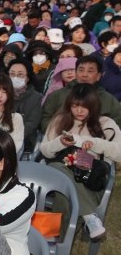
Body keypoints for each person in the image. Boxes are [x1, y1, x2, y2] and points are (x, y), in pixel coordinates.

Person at [40, 83, 121, 240]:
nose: (79, 111)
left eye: (84, 106)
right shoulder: (59, 121)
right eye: (75, 106)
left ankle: (53, 246)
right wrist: (60, 142)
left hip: (90, 180)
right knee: (59, 170)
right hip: (62, 176)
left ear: (94, 105)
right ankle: (90, 216)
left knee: (61, 184)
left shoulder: (106, 123)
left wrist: (95, 143)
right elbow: (45, 150)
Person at [7, 59, 43, 153]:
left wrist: (12, 137)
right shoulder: (1, 94)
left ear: (28, 78)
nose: (15, 77)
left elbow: (31, 124)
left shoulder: (36, 98)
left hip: (24, 141)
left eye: (20, 74)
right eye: (12, 74)